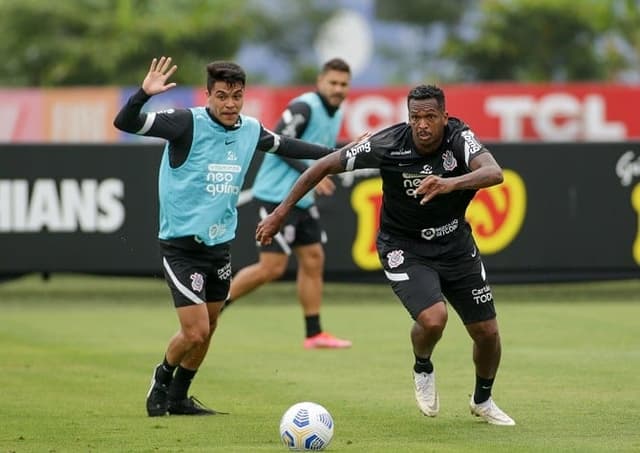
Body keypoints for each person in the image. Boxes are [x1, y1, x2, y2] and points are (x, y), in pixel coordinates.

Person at [255, 84, 516, 426]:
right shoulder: (388, 143)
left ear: (444, 117)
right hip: (403, 247)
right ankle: (423, 366)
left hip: (455, 245)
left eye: (430, 117)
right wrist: (280, 213)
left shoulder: (459, 137)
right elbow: (321, 167)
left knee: (487, 332)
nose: (422, 124)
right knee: (434, 319)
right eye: (415, 117)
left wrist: (449, 184)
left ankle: (483, 400)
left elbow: (494, 172)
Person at [113, 56, 348, 417]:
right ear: (208, 94)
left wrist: (341, 154)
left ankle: (179, 397)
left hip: (219, 246)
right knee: (194, 332)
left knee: (210, 327)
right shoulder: (184, 122)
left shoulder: (250, 129)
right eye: (221, 95)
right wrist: (142, 95)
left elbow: (288, 146)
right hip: (180, 245)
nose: (229, 104)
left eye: (236, 96)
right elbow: (125, 122)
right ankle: (160, 382)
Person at [224, 58, 352, 349]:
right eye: (333, 82)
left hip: (302, 200)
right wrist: (313, 175)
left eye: (343, 84)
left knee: (313, 259)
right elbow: (279, 142)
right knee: (271, 268)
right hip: (275, 196)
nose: (338, 88)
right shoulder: (303, 107)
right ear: (320, 81)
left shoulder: (336, 112)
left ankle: (314, 333)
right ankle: (216, 306)